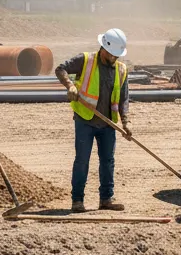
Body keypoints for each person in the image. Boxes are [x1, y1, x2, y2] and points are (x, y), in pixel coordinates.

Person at [55, 29, 131, 213]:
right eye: (112, 54)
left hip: (108, 124)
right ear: (104, 48)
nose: (114, 58)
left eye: (117, 55)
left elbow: (124, 97)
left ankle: (106, 199)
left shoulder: (121, 69)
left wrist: (126, 121)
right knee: (82, 160)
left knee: (108, 161)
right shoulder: (86, 60)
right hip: (85, 120)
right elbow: (60, 69)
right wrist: (70, 85)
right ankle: (77, 201)